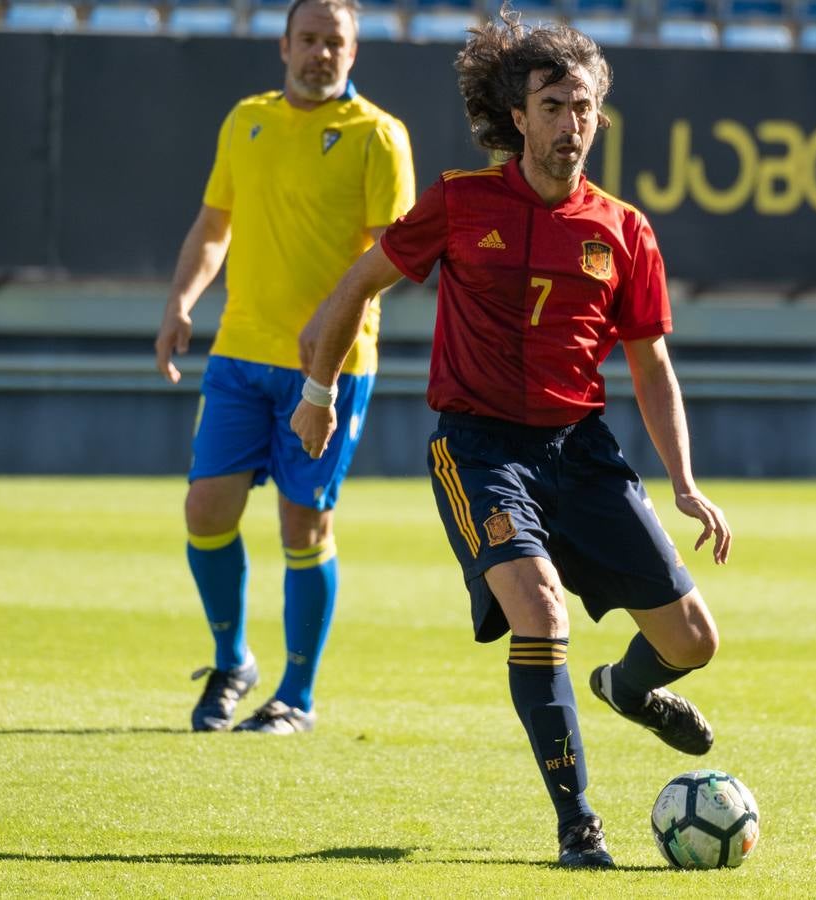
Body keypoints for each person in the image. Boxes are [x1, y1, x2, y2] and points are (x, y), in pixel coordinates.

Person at [290, 7, 730, 867]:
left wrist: (682, 481)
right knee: (541, 611)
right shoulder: (460, 204)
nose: (572, 123)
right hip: (481, 450)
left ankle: (625, 689)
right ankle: (578, 825)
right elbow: (357, 286)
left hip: (581, 451)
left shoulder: (624, 229)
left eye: (585, 107)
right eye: (554, 105)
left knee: (693, 643)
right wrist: (319, 391)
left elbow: (650, 367)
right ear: (518, 116)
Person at [154, 0, 415, 735]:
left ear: (354, 53)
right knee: (206, 509)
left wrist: (331, 317)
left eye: (336, 42)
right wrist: (181, 300)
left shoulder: (379, 136)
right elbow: (214, 226)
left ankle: (295, 697)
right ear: (284, 45)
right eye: (309, 39)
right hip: (239, 351)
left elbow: (392, 254)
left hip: (328, 366)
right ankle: (233, 660)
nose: (320, 53)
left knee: (303, 524)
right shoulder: (247, 121)